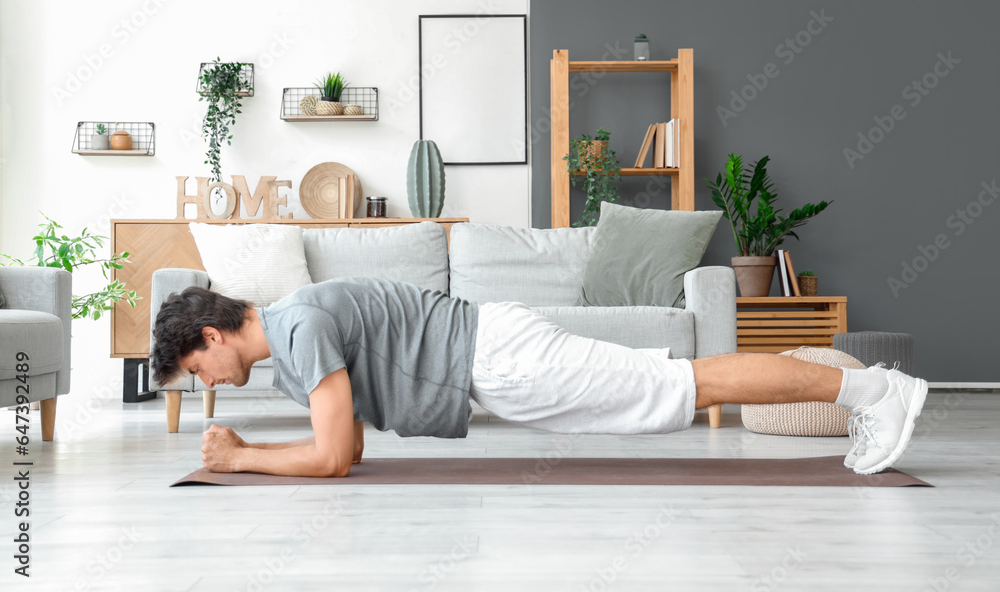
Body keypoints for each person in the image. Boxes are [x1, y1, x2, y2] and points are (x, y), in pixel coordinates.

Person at [150, 276, 928, 478]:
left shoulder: (298, 326)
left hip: (499, 360)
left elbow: (326, 458)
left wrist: (242, 456)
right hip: (495, 355)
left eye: (196, 368)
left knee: (692, 384)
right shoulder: (292, 342)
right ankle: (872, 392)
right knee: (687, 384)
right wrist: (253, 449)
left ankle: (876, 391)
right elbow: (345, 448)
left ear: (213, 334)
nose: (208, 381)